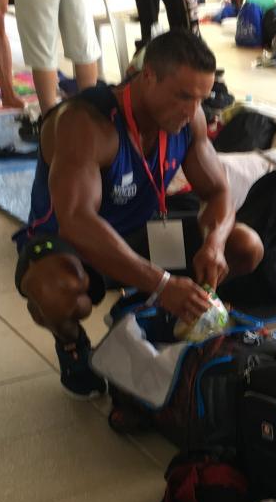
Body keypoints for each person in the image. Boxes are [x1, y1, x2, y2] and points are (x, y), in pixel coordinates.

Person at [14, 30, 262, 396]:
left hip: (142, 232)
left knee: (245, 245)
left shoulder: (189, 119)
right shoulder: (84, 124)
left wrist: (214, 244)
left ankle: (185, 317)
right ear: (148, 77)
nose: (192, 110)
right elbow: (77, 221)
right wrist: (162, 284)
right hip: (79, 244)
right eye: (183, 96)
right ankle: (71, 345)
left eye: (201, 98)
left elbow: (218, 191)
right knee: (54, 290)